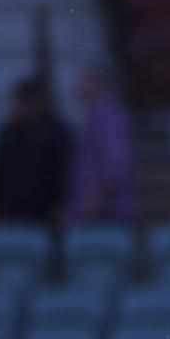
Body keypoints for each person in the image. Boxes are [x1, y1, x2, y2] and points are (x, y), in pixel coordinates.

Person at [0, 75, 72, 223]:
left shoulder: (56, 133)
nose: (22, 107)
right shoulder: (8, 132)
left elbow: (63, 172)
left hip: (47, 211)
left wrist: (60, 206)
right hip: (11, 210)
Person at [67, 66, 136, 223]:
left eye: (84, 80)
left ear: (96, 83)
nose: (78, 86)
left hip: (105, 214)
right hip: (96, 210)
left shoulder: (108, 117)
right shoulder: (96, 115)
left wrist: (96, 200)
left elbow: (116, 163)